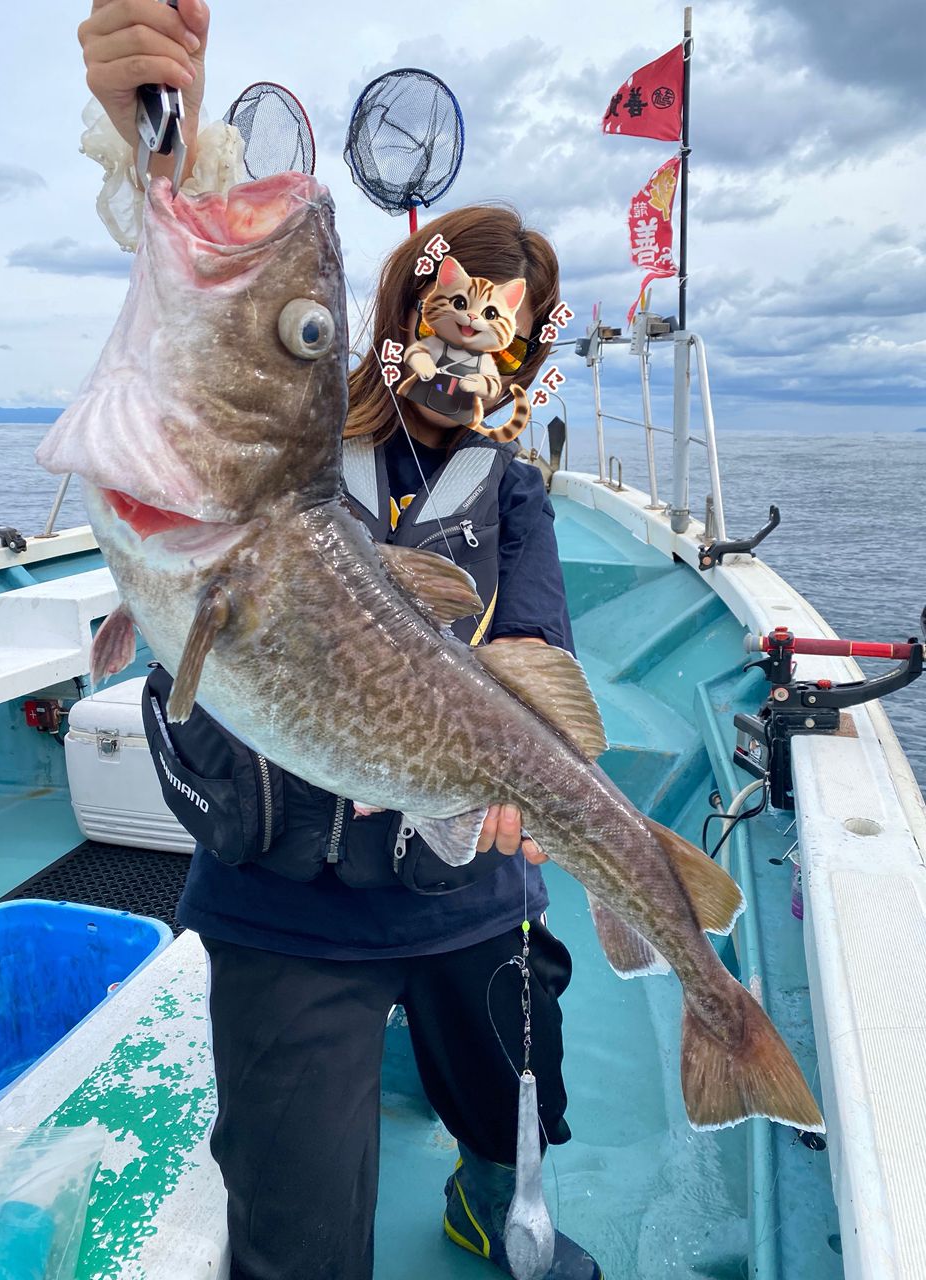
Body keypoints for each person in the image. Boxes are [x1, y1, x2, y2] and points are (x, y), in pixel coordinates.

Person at [79, 4, 604, 1278]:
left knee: (510, 1086)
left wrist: (529, 795)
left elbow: (533, 642)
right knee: (296, 1230)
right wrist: (152, 136)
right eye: (452, 307)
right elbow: (215, 294)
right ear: (394, 305)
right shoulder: (286, 445)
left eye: (503, 327)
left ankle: (491, 1186)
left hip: (465, 880)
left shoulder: (513, 490)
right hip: (283, 899)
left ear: (525, 350)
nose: (470, 340)